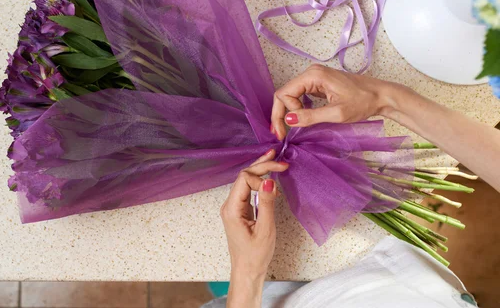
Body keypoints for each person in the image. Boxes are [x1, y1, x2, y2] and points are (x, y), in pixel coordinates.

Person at [203, 65, 500, 308]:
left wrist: (247, 274)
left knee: (230, 284)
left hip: (265, 296)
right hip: (379, 272)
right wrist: (384, 98)